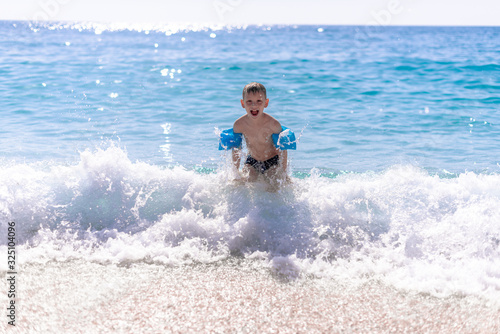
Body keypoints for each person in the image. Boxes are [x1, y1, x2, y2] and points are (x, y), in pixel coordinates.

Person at [232, 82, 288, 182]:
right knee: (244, 182)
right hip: (252, 161)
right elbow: (236, 149)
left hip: (272, 161)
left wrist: (284, 172)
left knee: (274, 185)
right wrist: (235, 173)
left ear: (266, 103)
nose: (254, 105)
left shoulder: (273, 124)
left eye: (259, 101)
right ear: (242, 103)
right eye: (249, 101)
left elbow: (282, 150)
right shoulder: (239, 125)